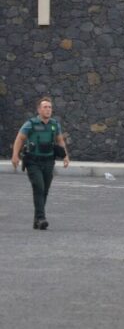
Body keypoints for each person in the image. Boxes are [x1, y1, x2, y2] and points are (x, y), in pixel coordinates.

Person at [12, 96, 70, 230]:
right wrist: (15, 155)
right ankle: (42, 218)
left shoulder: (55, 125)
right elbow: (20, 139)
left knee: (45, 190)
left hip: (49, 161)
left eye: (50, 107)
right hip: (33, 161)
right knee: (39, 187)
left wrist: (66, 156)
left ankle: (37, 220)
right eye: (45, 107)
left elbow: (60, 141)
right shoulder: (30, 124)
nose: (48, 109)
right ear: (39, 110)